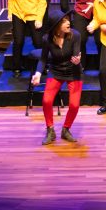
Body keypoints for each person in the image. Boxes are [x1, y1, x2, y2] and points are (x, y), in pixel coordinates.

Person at [31, 11, 82, 145]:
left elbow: (76, 54)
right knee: (47, 101)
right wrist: (38, 73)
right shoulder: (47, 39)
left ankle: (66, 129)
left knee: (74, 105)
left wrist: (77, 60)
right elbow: (43, 59)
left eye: (68, 20)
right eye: (64, 21)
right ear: (57, 26)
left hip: (73, 71)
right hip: (56, 71)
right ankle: (50, 130)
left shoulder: (75, 35)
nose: (68, 23)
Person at [7, 0, 46, 78]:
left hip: (33, 13)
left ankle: (42, 66)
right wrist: (10, 11)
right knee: (18, 41)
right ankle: (16, 68)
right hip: (18, 12)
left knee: (38, 42)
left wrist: (39, 18)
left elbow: (42, 1)